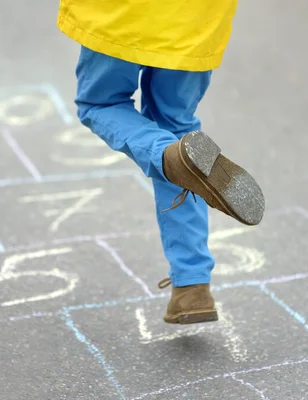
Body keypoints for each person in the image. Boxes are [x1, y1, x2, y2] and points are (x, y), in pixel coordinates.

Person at [56, 0, 265, 324]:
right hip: (196, 18)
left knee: (100, 104)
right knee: (178, 127)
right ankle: (192, 286)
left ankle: (166, 155)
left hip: (122, 15)